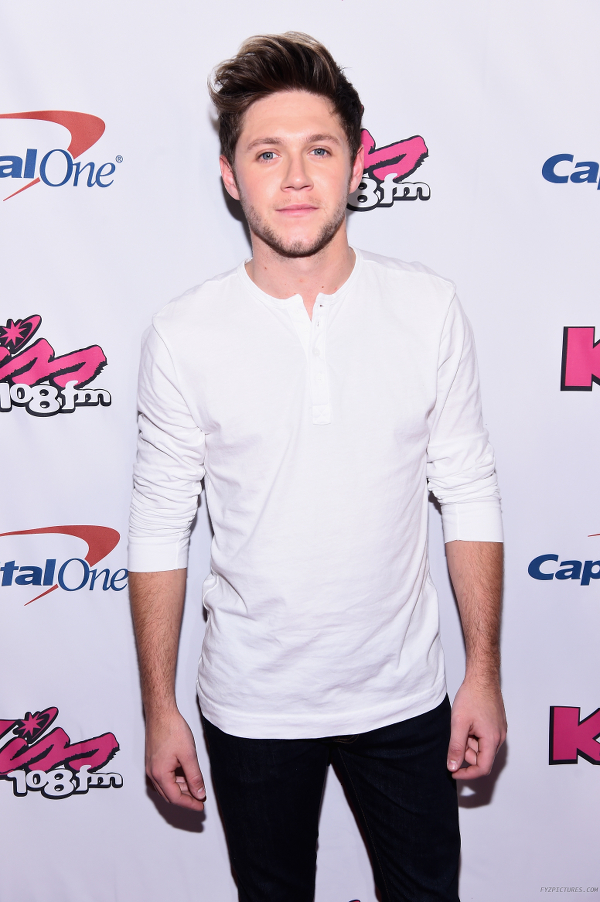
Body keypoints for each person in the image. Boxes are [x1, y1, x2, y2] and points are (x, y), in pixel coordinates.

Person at [128, 32, 507, 902]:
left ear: (357, 165)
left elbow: (469, 493)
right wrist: (159, 709)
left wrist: (483, 674)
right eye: (268, 153)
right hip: (250, 706)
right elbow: (157, 526)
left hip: (405, 697)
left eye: (320, 150)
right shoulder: (184, 334)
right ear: (231, 176)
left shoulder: (428, 307)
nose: (296, 177)